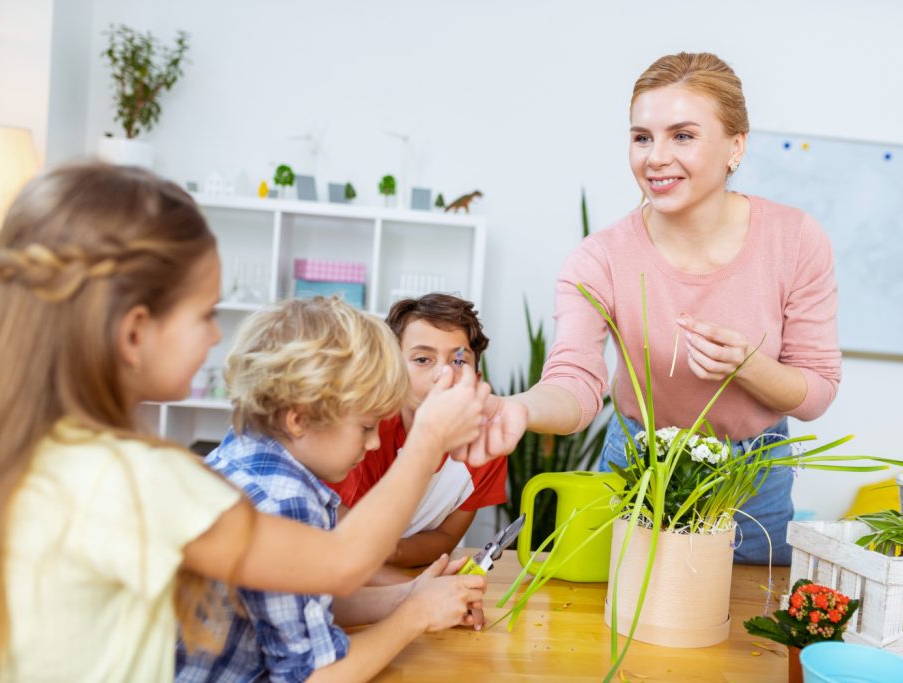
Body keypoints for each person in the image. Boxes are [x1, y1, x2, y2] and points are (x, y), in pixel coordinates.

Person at [0, 162, 489, 682]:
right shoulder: (132, 477)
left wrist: (409, 596)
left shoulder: (53, 453)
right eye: (204, 314)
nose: (215, 338)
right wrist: (428, 441)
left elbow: (316, 584)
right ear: (134, 333)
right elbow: (340, 562)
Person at [479, 52, 840, 565]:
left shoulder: (795, 240)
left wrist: (748, 367)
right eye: (642, 137)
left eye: (683, 136)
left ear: (735, 146)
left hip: (750, 485)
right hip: (637, 471)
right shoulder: (599, 258)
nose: (655, 157)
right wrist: (517, 407)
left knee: (746, 629)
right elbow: (576, 384)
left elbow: (816, 391)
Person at [177, 296, 486, 683]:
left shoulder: (248, 450)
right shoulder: (285, 500)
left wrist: (408, 595)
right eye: (365, 426)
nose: (374, 443)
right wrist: (417, 616)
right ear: (298, 419)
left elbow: (308, 600)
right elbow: (318, 678)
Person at [329, 294, 507, 569]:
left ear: (477, 378)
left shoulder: (486, 442)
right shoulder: (367, 434)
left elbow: (446, 536)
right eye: (423, 359)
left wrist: (391, 551)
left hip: (407, 571)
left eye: (459, 361)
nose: (443, 374)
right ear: (392, 371)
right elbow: (341, 537)